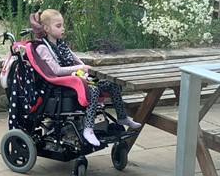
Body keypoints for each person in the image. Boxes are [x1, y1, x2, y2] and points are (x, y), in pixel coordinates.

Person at [30, 9, 141, 147]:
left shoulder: (62, 45)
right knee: (93, 90)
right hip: (61, 85)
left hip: (76, 80)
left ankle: (122, 117)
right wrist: (81, 69)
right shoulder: (43, 48)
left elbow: (78, 61)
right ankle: (88, 129)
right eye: (58, 26)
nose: (63, 29)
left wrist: (86, 70)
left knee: (110, 84)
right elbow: (56, 71)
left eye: (62, 25)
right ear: (46, 28)